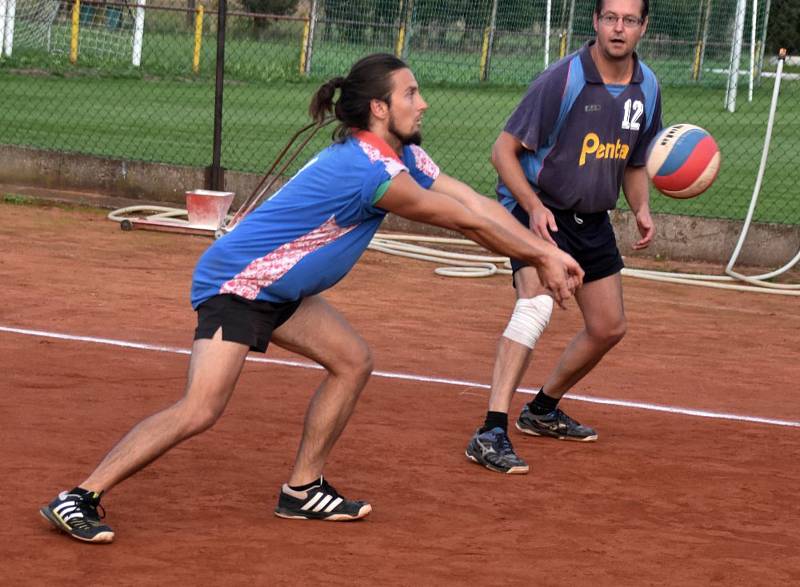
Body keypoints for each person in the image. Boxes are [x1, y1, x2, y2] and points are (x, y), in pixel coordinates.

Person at [40, 53, 584, 543]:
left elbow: (468, 199)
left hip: (279, 287)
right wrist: (543, 258)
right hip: (240, 285)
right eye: (411, 94)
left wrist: (541, 250)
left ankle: (301, 490)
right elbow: (463, 220)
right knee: (201, 408)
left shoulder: (400, 157)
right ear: (378, 108)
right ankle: (80, 495)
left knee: (352, 361)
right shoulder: (368, 172)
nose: (423, 103)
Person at [465, 0, 662, 474]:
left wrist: (641, 208)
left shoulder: (648, 87)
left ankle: (542, 409)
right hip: (538, 211)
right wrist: (531, 208)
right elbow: (503, 151)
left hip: (591, 219)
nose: (619, 28)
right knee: (535, 305)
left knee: (608, 326)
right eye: (610, 18)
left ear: (643, 27)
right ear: (595, 22)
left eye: (629, 20)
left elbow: (635, 161)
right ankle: (491, 430)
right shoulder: (563, 78)